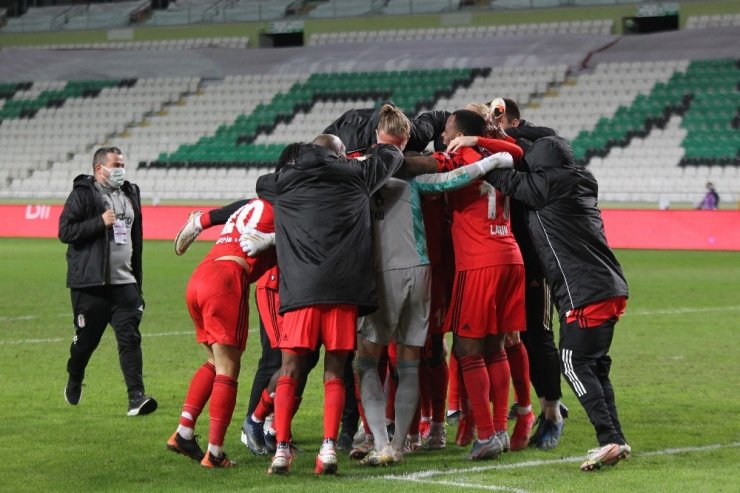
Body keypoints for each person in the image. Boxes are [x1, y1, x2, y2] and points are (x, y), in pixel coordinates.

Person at [355, 106, 515, 466]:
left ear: (378, 134)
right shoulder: (416, 170)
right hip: (421, 271)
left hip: (382, 273)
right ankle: (399, 444)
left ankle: (379, 441)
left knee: (368, 362)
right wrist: (491, 162)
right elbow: (449, 181)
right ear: (406, 138)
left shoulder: (360, 169)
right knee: (411, 360)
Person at [484, 135, 631, 472]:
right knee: (595, 367)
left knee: (574, 363)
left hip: (583, 291)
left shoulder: (545, 186)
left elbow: (498, 176)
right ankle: (615, 439)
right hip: (610, 286)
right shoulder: (581, 180)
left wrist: (479, 148)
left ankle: (608, 439)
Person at [266, 134, 405, 475]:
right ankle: (328, 448)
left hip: (299, 289)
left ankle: (281, 449)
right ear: (341, 155)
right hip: (343, 290)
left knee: (290, 371)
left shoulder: (282, 181)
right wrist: (358, 159)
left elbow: (263, 183)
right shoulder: (358, 174)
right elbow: (392, 154)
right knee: (335, 372)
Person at [407, 110, 526, 460]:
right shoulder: (497, 155)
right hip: (510, 255)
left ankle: (487, 434)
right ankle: (500, 431)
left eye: (446, 130)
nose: (443, 136)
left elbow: (417, 166)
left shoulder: (457, 157)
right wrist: (480, 139)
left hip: (479, 262)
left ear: (458, 133)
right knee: (495, 348)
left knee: (466, 349)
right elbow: (516, 151)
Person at [166, 179, 278, 468]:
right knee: (229, 368)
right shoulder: (284, 209)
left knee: (214, 363)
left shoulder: (249, 207)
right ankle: (215, 453)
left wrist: (201, 220)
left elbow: (229, 210)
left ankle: (184, 432)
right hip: (227, 279)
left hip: (202, 274)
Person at [58, 146, 157, 416]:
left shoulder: (130, 192)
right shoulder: (83, 194)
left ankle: (136, 397)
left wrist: (137, 282)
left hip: (125, 284)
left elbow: (135, 240)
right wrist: (99, 222)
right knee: (85, 344)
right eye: (116, 165)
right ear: (99, 169)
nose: (121, 170)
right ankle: (75, 376)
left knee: (130, 339)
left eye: (122, 164)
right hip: (92, 285)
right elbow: (65, 231)